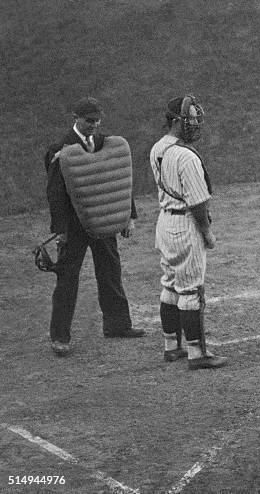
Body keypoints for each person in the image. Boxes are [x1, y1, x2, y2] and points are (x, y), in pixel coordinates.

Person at [44, 97, 143, 357]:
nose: (94, 125)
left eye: (97, 120)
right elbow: (55, 193)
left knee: (110, 272)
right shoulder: (59, 149)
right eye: (89, 120)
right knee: (67, 279)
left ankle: (117, 325)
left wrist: (126, 216)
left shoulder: (104, 143)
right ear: (76, 117)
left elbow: (117, 180)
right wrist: (60, 229)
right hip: (74, 227)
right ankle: (59, 337)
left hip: (102, 220)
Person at [149, 95, 227, 370]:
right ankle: (197, 354)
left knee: (170, 283)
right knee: (191, 290)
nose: (194, 126)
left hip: (164, 224)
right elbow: (197, 202)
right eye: (189, 121)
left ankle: (172, 346)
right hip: (185, 226)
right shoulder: (186, 156)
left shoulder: (157, 147)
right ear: (175, 121)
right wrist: (207, 232)